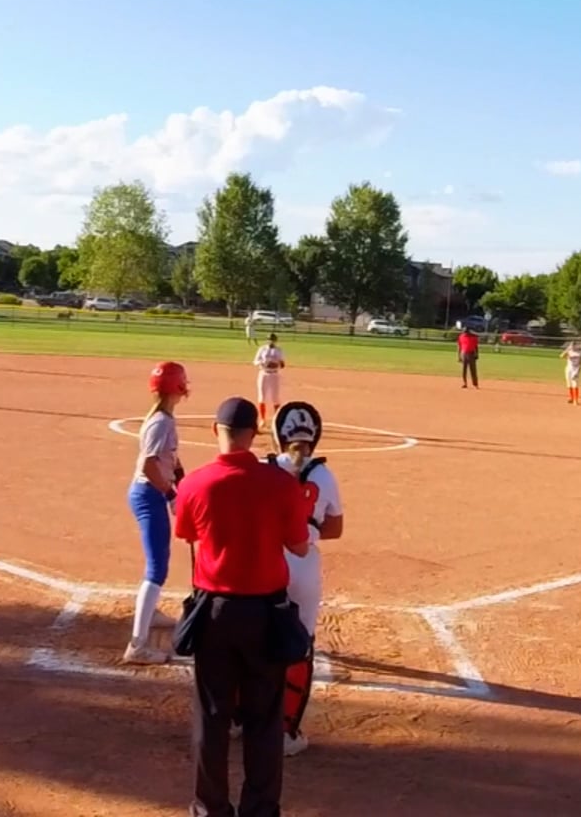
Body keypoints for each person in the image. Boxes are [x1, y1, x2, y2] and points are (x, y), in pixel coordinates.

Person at [173, 397, 309, 817]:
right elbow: (299, 546)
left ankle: (209, 808)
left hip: (214, 612)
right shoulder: (281, 484)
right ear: (256, 432)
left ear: (216, 431)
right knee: (264, 720)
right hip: (266, 614)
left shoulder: (195, 483)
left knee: (212, 717)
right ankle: (260, 810)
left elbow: (188, 534)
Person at [267, 401, 343, 758]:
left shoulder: (264, 468)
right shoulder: (324, 475)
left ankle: (238, 719)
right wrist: (307, 529)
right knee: (299, 644)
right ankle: (285, 732)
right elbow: (335, 529)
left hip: (265, 560)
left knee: (252, 637)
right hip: (304, 564)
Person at [125, 361, 189, 664]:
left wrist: (181, 480)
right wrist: (171, 494)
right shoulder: (161, 422)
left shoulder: (163, 419)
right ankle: (137, 646)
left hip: (152, 493)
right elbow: (149, 465)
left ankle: (150, 614)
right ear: (179, 387)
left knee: (159, 559)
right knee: (157, 567)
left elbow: (168, 459)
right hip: (149, 495)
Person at [253, 333, 286, 424]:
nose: (271, 342)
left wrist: (277, 363)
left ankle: (277, 419)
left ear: (276, 341)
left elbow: (283, 364)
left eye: (273, 340)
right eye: (270, 340)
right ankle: (263, 419)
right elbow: (255, 361)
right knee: (262, 397)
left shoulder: (279, 350)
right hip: (264, 373)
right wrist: (263, 363)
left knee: (275, 397)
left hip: (275, 374)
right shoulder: (262, 349)